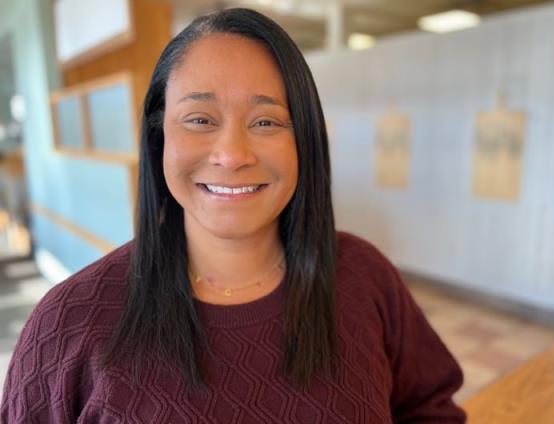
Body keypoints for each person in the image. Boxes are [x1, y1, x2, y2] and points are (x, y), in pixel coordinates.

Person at [1, 8, 465, 423]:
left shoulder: (364, 277)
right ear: (160, 134)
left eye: (265, 122)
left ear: (303, 138)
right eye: (200, 119)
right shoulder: (68, 323)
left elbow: (430, 408)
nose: (232, 154)